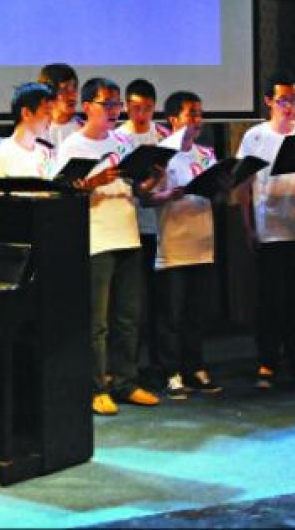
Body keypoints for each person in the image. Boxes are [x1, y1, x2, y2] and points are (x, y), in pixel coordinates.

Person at [58, 77, 163, 415]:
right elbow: (63, 197)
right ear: (87, 106)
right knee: (97, 321)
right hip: (96, 239)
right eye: (108, 104)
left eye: (118, 104)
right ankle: (94, 386)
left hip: (128, 233)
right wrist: (92, 183)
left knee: (128, 316)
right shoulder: (72, 146)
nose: (115, 111)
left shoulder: (123, 141)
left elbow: (138, 191)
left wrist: (152, 181)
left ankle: (125, 381)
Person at [236, 71, 295, 389]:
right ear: (269, 102)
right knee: (269, 300)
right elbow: (244, 185)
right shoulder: (254, 137)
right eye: (284, 100)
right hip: (269, 227)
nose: (290, 107)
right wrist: (247, 227)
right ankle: (267, 362)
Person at [146, 90, 224, 398]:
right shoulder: (160, 154)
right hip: (173, 245)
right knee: (171, 315)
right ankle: (171, 371)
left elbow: (216, 195)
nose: (197, 121)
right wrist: (166, 195)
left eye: (199, 114)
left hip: (202, 241)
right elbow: (146, 197)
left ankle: (196, 366)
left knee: (196, 312)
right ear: (173, 118)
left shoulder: (205, 154)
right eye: (191, 114)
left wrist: (223, 187)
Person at [117, 78, 171, 376]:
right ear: (126, 106)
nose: (142, 115)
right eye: (136, 108)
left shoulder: (161, 135)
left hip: (158, 226)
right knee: (130, 303)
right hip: (127, 224)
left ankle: (159, 363)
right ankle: (129, 364)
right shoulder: (118, 138)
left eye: (148, 109)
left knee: (159, 300)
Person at [0, 82, 58, 178]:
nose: (52, 118)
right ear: (26, 113)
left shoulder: (46, 153)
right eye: (47, 112)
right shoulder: (0, 155)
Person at [37, 63, 84, 149]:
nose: (72, 95)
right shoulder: (34, 133)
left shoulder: (86, 131)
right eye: (64, 89)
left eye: (74, 88)